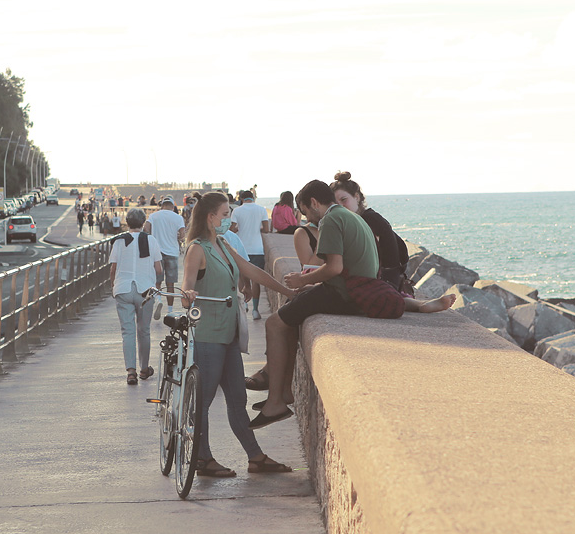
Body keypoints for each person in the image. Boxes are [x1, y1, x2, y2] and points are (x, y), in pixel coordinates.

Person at [249, 181, 456, 429]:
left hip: (343, 293)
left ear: (314, 203)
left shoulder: (330, 220)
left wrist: (302, 279)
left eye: (305, 211)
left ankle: (275, 404)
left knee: (274, 323)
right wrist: (310, 286)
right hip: (361, 288)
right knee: (293, 314)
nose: (306, 218)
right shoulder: (351, 216)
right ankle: (283, 392)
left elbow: (334, 268)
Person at [180, 192, 296, 476]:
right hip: (208, 335)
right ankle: (202, 458)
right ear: (210, 218)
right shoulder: (197, 249)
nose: (228, 219)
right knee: (203, 401)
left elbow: (251, 271)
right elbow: (185, 291)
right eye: (225, 214)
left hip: (229, 333)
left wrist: (289, 292)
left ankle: (255, 457)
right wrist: (189, 295)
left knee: (236, 400)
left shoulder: (220, 244)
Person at [108, 209, 162, 385]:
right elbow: (159, 269)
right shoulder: (151, 240)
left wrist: (113, 286)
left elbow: (113, 269)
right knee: (144, 330)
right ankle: (144, 368)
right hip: (145, 290)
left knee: (128, 332)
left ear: (127, 222)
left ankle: (131, 372)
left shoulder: (119, 242)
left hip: (123, 289)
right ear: (143, 222)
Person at [331, 171, 410, 290]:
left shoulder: (370, 220)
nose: (340, 206)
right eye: (336, 204)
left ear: (356, 197)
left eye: (344, 200)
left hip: (385, 282)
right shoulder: (359, 220)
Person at [143, 195, 186, 320]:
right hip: (172, 252)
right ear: (172, 206)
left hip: (157, 253)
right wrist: (177, 237)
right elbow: (182, 235)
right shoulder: (178, 218)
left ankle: (158, 300)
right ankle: (170, 310)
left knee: (157, 281)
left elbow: (146, 229)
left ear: (162, 205)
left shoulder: (153, 216)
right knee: (170, 283)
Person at [230, 190, 270, 320]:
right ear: (253, 198)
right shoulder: (261, 210)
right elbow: (267, 229)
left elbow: (233, 229)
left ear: (241, 199)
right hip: (257, 248)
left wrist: (240, 229)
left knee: (242, 277)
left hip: (241, 248)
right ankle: (256, 310)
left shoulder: (237, 211)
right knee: (256, 280)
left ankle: (244, 304)